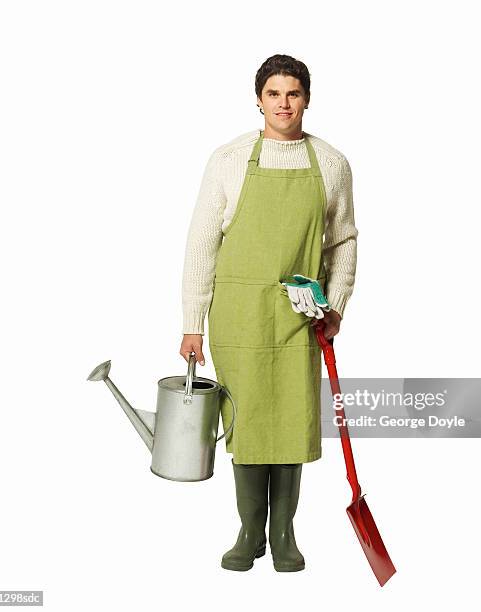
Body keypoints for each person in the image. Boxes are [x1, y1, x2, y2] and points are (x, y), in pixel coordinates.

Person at [179, 54, 358, 572]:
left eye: (294, 93)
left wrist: (336, 306)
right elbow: (201, 244)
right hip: (238, 314)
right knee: (247, 420)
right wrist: (193, 321)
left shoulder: (331, 163)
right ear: (258, 99)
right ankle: (249, 529)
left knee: (292, 421)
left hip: (301, 315)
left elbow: (343, 241)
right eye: (274, 94)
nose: (284, 104)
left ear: (307, 99)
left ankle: (283, 533)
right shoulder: (230, 159)